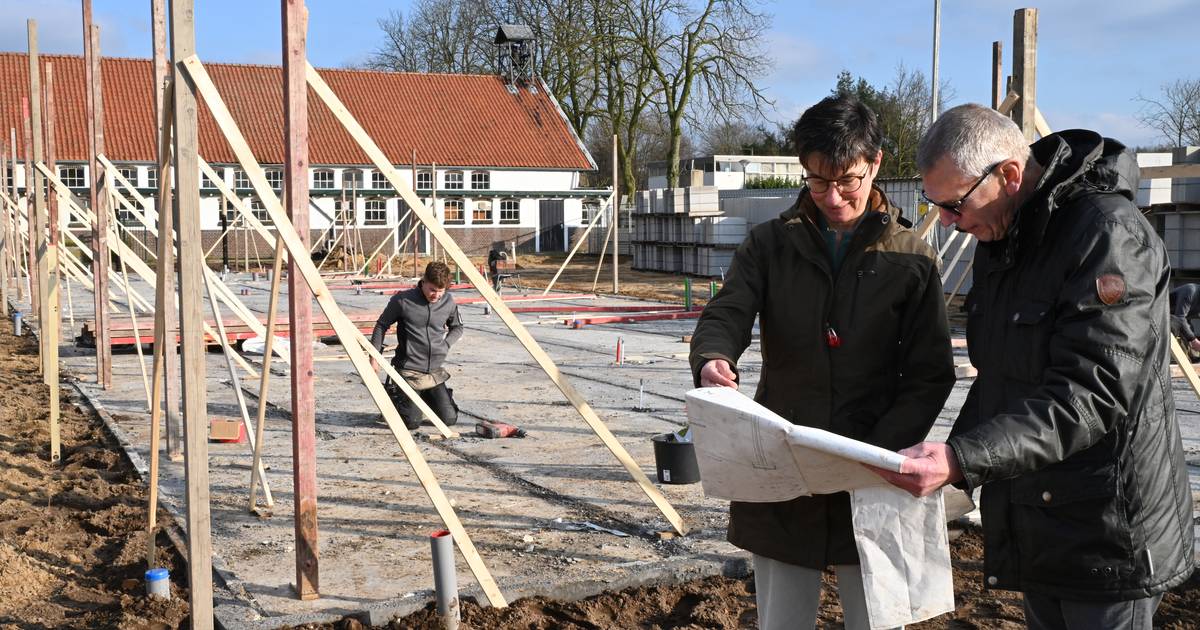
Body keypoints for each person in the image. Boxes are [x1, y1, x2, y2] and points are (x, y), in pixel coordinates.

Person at [875, 104, 1193, 629]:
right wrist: (950, 467)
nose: (950, 224)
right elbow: (999, 377)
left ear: (1010, 175)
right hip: (1039, 517)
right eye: (939, 206)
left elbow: (1092, 393)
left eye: (954, 205)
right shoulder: (1002, 237)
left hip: (1110, 528)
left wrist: (963, 458)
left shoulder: (1108, 236)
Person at [689, 94, 956, 630]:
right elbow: (728, 311)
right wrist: (713, 358)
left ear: (875, 163)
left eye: (847, 181)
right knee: (782, 617)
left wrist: (880, 452)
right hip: (787, 461)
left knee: (875, 616)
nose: (832, 197)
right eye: (816, 181)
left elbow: (930, 372)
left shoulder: (911, 260)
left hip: (876, 466)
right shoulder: (769, 245)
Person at [370, 261, 463, 430]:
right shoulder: (402, 300)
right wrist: (374, 356)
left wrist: (445, 345)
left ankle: (427, 398)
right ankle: (396, 398)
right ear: (424, 281)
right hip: (408, 371)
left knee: (449, 419)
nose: (435, 295)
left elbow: (457, 327)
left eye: (440, 291)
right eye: (432, 289)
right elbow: (381, 325)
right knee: (412, 422)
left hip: (434, 372)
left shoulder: (448, 301)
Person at [1169, 283, 1200, 356]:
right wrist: (1193, 340)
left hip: (1178, 319)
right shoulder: (1190, 291)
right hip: (1163, 318)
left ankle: (1191, 358)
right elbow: (1180, 318)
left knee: (1190, 329)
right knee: (1182, 330)